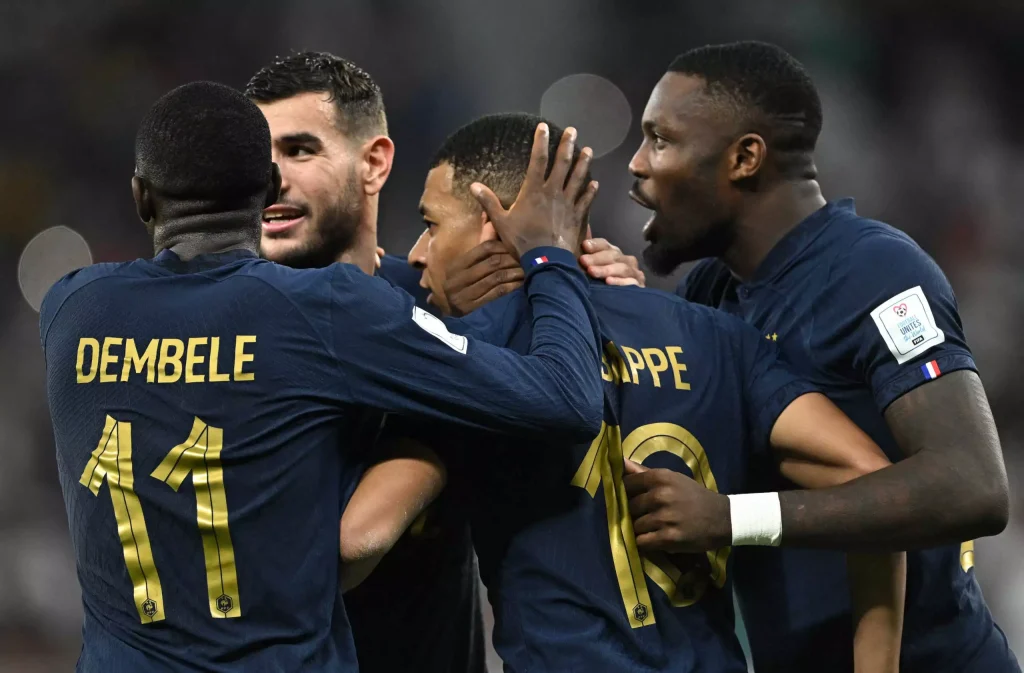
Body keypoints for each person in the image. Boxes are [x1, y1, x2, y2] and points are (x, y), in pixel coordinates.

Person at [39, 82, 605, 672]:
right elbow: (564, 396)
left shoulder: (71, 309)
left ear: (141, 196)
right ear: (269, 188)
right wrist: (553, 263)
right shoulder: (328, 309)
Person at [351, 112, 907, 673]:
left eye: (431, 224)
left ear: (495, 224)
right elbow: (871, 482)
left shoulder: (472, 360)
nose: (417, 253)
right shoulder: (716, 337)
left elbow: (359, 538)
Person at [620, 41, 1017, 673]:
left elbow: (973, 486)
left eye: (661, 140)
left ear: (744, 158)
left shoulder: (875, 273)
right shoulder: (710, 295)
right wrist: (608, 301)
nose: (637, 164)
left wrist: (734, 519)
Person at [244, 51, 644, 673]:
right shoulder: (223, 326)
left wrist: (600, 292)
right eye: (258, 158)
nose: (271, 179)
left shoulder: (443, 300)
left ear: (374, 162)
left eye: (299, 150)